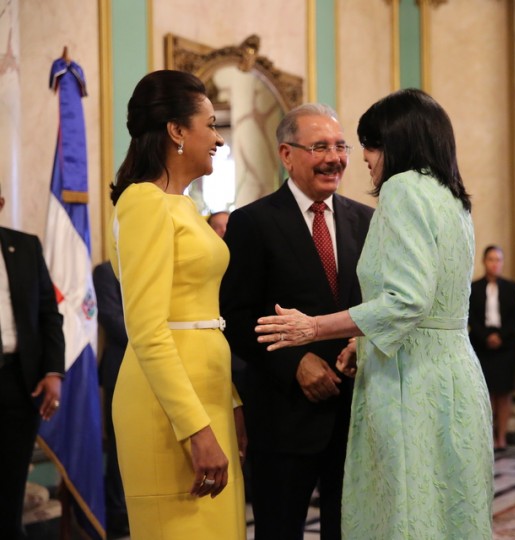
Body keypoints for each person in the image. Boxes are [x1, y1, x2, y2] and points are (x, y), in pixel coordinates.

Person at [254, 88, 493, 539]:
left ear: (399, 141)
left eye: (369, 142)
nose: (361, 156)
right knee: (446, 516)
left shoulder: (402, 190)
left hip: (411, 382)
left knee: (403, 517)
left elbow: (406, 300)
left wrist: (313, 327)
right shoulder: (450, 196)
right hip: (455, 377)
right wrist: (361, 342)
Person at [220, 103, 373, 540]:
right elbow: (236, 315)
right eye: (320, 146)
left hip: (354, 414)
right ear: (287, 154)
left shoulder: (366, 221)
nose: (335, 158)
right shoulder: (252, 222)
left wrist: (359, 344)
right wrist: (295, 365)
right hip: (284, 417)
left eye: (341, 147)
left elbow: (373, 304)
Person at [107, 70, 246, 540]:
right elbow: (147, 329)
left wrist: (231, 403)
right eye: (210, 124)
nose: (219, 139)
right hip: (167, 411)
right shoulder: (144, 202)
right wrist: (195, 429)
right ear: (176, 130)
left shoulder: (183, 205)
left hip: (203, 398)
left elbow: (201, 312)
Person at [0, 185, 65, 540]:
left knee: (11, 490)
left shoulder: (24, 247)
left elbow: (48, 315)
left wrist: (54, 371)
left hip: (18, 382)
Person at [470, 245, 515, 451]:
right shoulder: (474, 287)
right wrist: (486, 336)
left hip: (505, 343)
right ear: (484, 262)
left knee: (504, 392)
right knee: (485, 392)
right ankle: (488, 436)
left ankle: (502, 436)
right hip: (481, 343)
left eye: (498, 259)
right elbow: (471, 316)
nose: (495, 263)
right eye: (491, 259)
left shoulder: (511, 287)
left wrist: (500, 336)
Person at [92, 260, 129, 537]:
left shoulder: (150, 263)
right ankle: (118, 516)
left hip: (159, 369)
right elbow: (112, 318)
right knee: (121, 447)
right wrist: (156, 336)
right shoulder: (105, 272)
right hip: (121, 370)